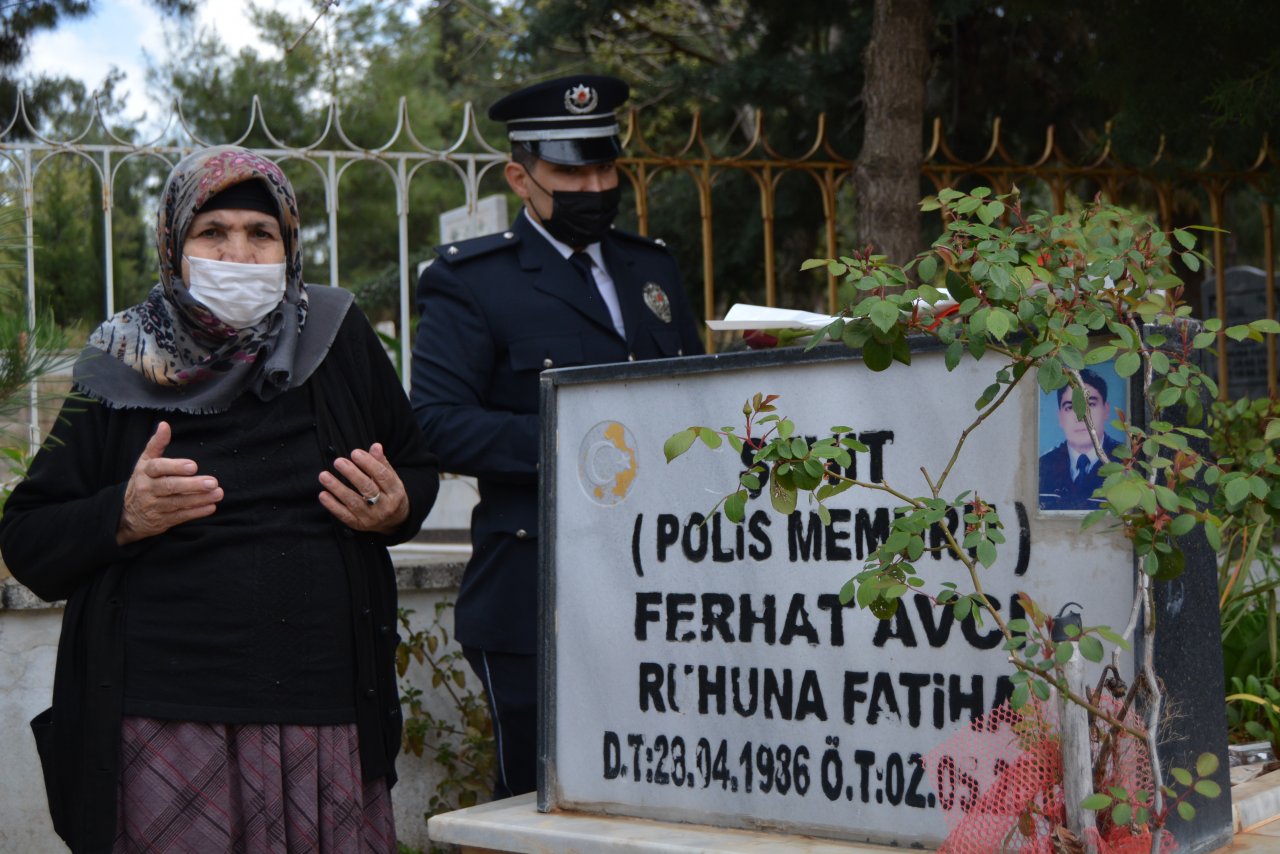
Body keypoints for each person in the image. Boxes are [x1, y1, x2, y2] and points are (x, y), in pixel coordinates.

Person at [0, 145, 439, 853]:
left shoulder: (338, 336)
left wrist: (396, 507)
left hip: (321, 700)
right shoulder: (120, 358)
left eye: (261, 234)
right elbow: (27, 537)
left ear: (290, 246)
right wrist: (121, 514)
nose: (238, 253)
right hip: (165, 713)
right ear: (174, 245)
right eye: (214, 233)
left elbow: (414, 468)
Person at [410, 74, 704, 798]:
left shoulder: (651, 268)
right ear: (520, 176)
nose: (594, 186)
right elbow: (437, 424)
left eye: (605, 167)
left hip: (665, 584)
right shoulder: (474, 281)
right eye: (572, 172)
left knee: (660, 802)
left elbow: (692, 402)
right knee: (546, 806)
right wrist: (582, 446)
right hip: (538, 594)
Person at [1038, 368, 1123, 510]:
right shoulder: (1043, 466)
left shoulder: (1126, 461)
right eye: (1070, 407)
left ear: (1106, 411)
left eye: (1090, 404)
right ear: (1060, 417)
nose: (1081, 417)